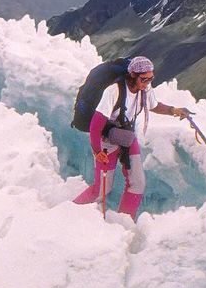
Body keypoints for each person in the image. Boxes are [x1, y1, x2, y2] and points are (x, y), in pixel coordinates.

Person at [72, 56, 190, 219]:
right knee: (102, 190)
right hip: (107, 139)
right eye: (144, 79)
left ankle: (123, 223)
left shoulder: (144, 90)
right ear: (132, 75)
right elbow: (95, 125)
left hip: (127, 137)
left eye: (151, 78)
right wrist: (97, 151)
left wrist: (174, 110)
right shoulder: (114, 91)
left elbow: (154, 105)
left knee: (138, 184)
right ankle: (69, 213)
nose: (147, 82)